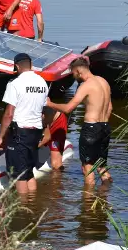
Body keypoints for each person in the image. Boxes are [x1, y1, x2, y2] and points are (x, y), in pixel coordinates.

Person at [46, 57, 113, 186]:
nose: (74, 77)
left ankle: (87, 204)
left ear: (78, 71)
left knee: (87, 169)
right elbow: (110, 107)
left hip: (91, 128)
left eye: (73, 74)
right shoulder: (104, 82)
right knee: (101, 166)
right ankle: (105, 197)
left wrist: (50, 104)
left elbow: (68, 108)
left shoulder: (86, 85)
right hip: (105, 127)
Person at [0, 53, 48, 195]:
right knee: (29, 172)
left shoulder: (15, 84)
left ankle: (24, 210)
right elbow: (42, 112)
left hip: (19, 133)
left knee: (19, 175)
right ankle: (32, 203)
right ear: (31, 65)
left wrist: (1, 136)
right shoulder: (42, 82)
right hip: (35, 132)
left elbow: (9, 113)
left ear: (17, 66)